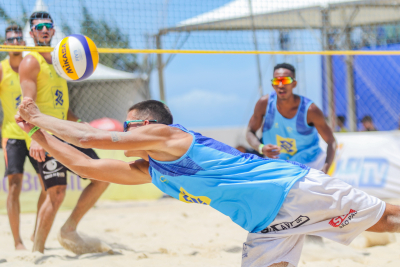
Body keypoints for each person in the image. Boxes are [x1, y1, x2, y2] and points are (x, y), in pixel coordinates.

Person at [16, 98, 400, 267]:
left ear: (149, 126)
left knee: (387, 221)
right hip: (265, 224)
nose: (126, 132)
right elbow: (86, 164)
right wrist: (35, 133)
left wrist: (39, 116)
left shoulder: (170, 137)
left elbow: (88, 139)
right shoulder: (152, 171)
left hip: (293, 188)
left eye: (129, 125)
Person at [18, 11, 109, 253]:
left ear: (53, 30)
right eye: (39, 27)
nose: (44, 30)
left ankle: (69, 228)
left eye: (48, 25)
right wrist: (36, 137)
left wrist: (81, 124)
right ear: (32, 33)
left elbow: (62, 106)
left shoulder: (61, 63)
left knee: (103, 177)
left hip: (67, 132)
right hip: (45, 136)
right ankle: (36, 251)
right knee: (56, 193)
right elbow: (27, 106)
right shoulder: (31, 62)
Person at [0, 25, 46, 250]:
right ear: (6, 43)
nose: (16, 41)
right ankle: (17, 241)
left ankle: (37, 231)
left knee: (46, 185)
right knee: (14, 186)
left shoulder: (32, 64)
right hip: (12, 136)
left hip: (34, 133)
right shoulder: (2, 70)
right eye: (11, 38)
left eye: (19, 37)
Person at [246, 63, 336, 173]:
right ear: (272, 84)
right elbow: (250, 131)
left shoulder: (310, 110)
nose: (280, 85)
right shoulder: (264, 104)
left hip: (310, 165)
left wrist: (325, 169)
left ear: (294, 83)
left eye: (285, 80)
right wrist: (261, 148)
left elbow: (331, 141)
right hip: (278, 165)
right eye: (276, 81)